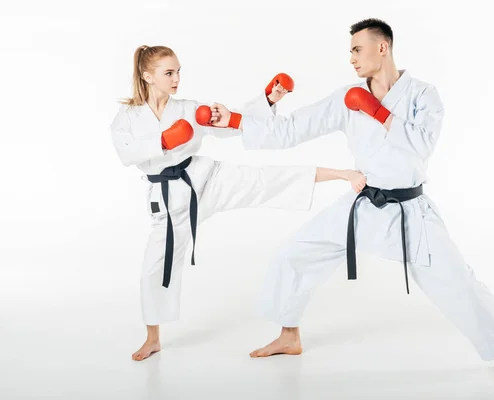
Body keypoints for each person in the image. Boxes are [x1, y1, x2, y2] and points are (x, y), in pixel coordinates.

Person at [211, 19, 494, 380]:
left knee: (458, 280)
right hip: (363, 204)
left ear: (383, 47)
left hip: (410, 212)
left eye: (357, 49)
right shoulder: (346, 98)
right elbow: (291, 130)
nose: (351, 58)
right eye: (350, 51)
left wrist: (377, 111)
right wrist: (236, 120)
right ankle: (289, 336)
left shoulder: (424, 95)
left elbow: (422, 145)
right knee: (295, 253)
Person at [110, 45, 367, 361]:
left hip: (207, 180)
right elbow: (126, 152)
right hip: (169, 202)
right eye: (169, 73)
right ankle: (152, 339)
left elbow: (231, 126)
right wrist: (164, 141)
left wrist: (269, 99)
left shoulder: (189, 108)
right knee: (155, 266)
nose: (177, 78)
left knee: (264, 180)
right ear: (147, 76)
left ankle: (340, 173)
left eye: (178, 71)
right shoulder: (127, 117)